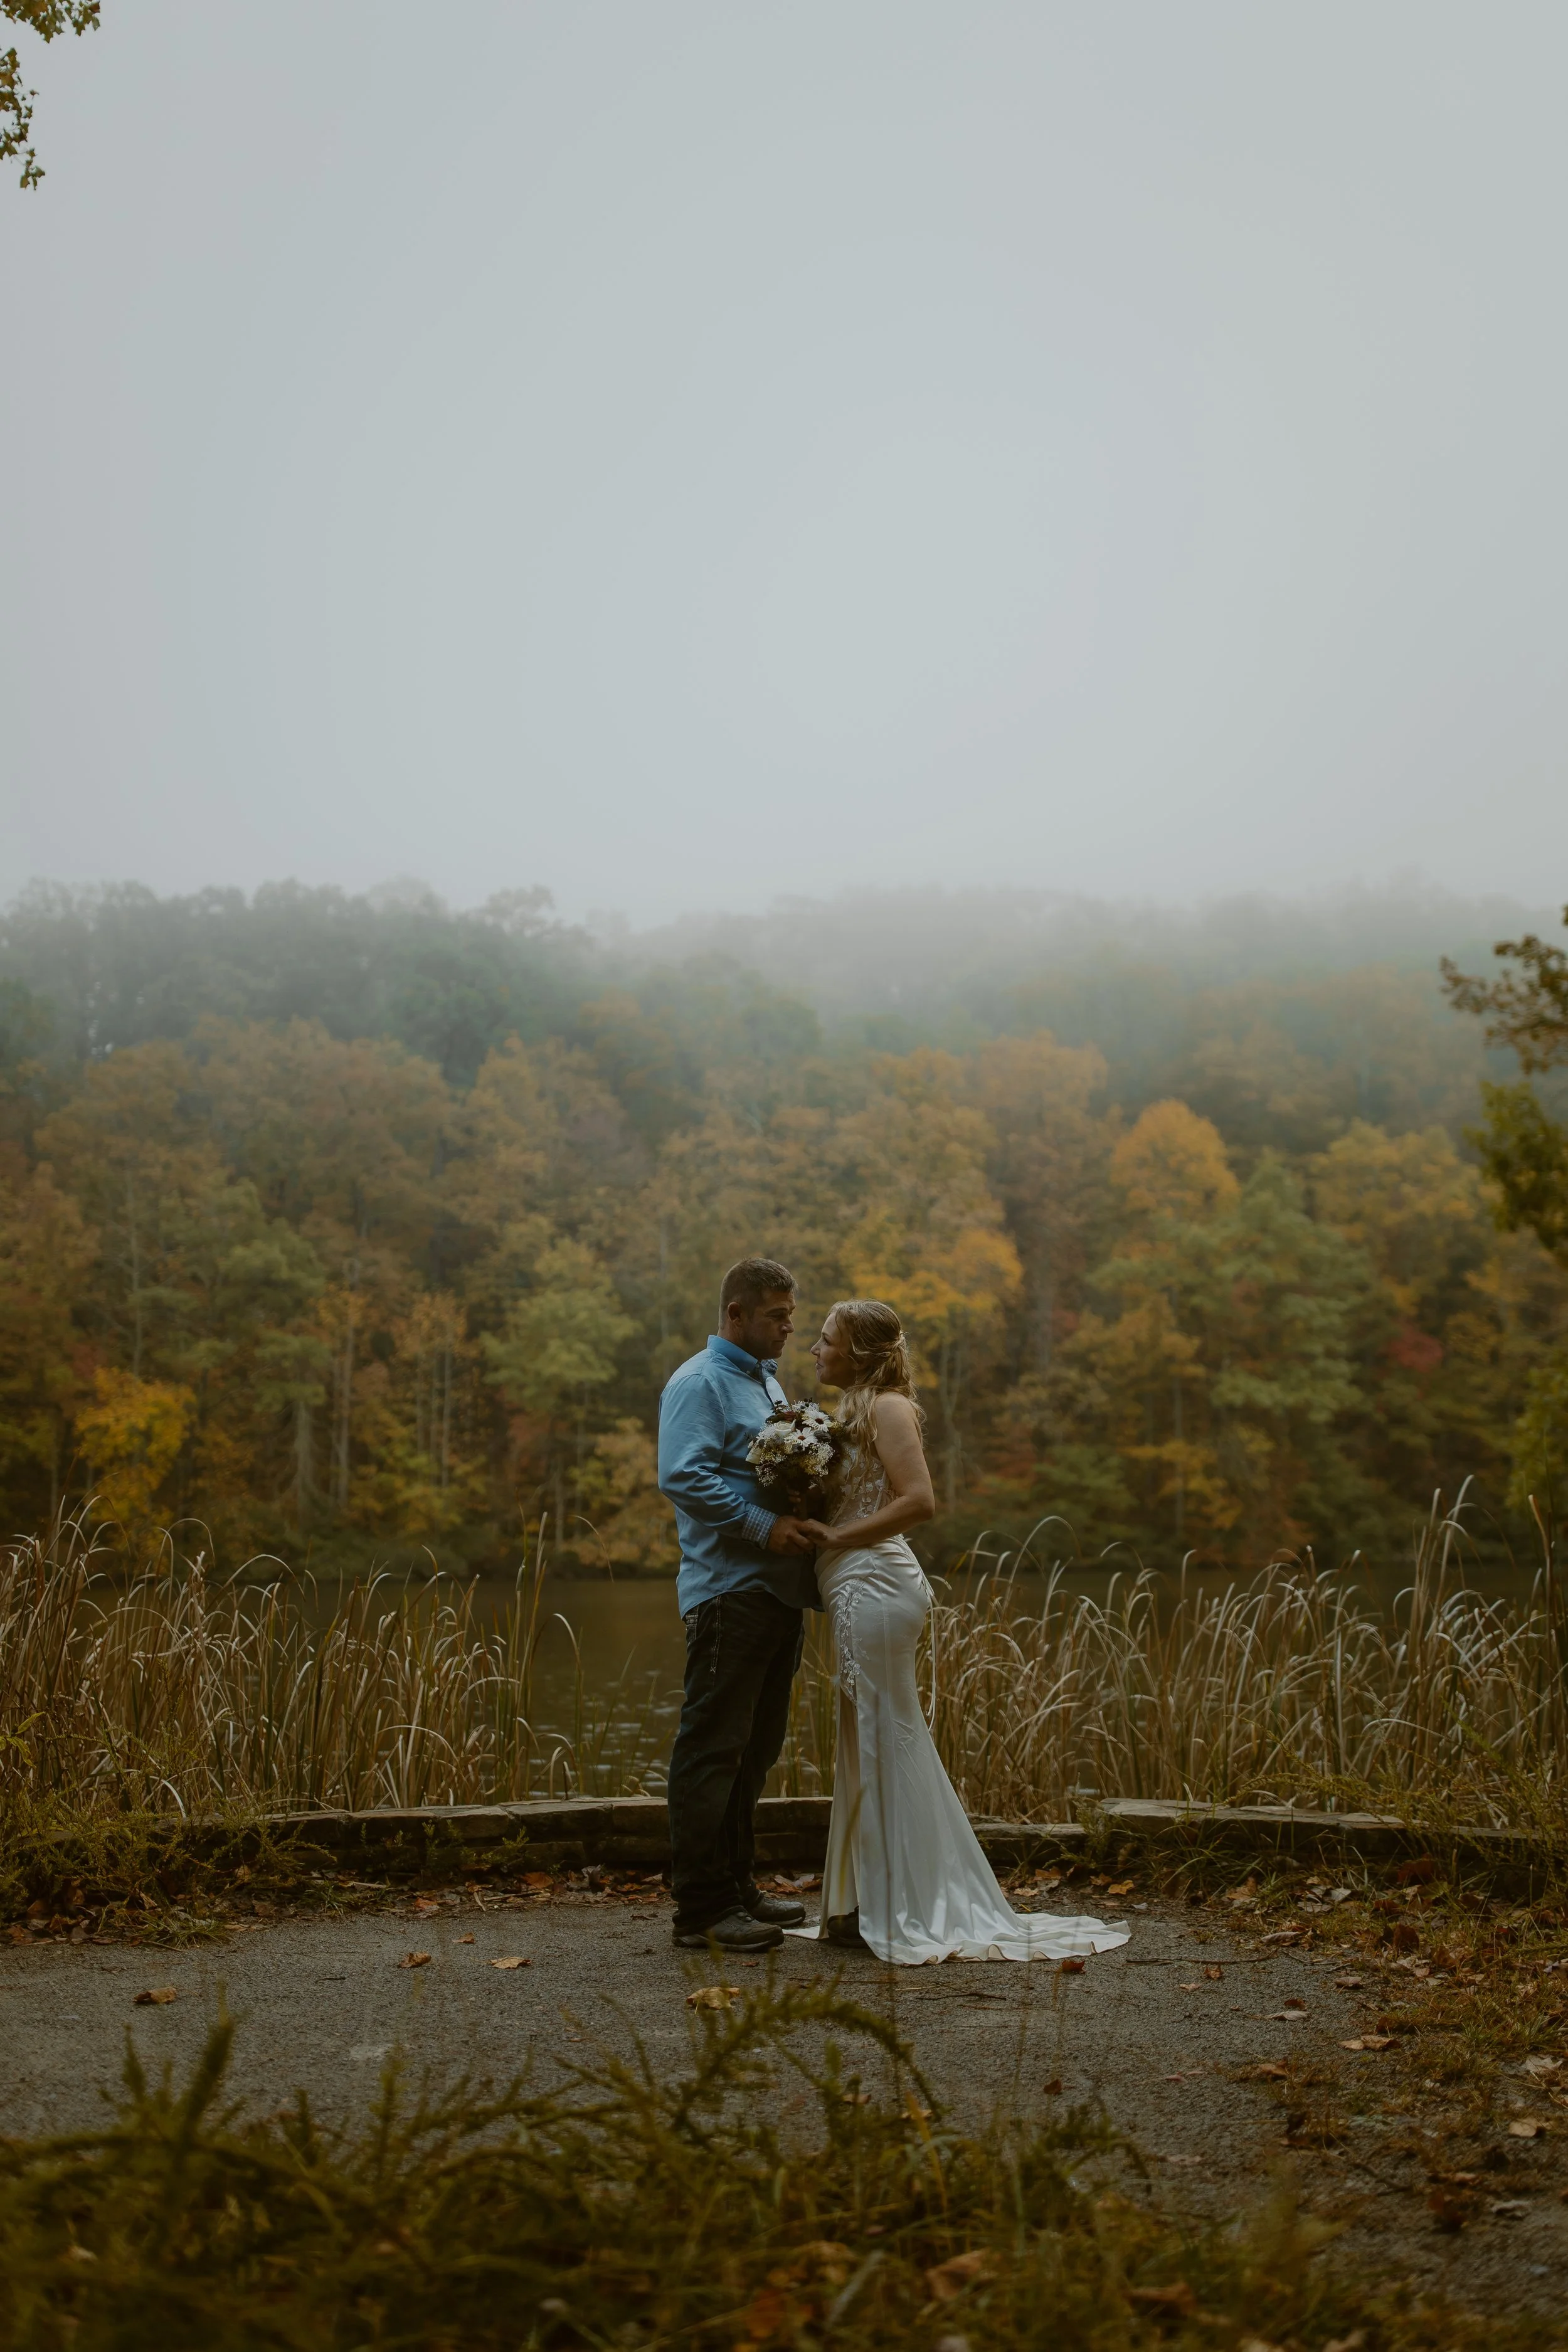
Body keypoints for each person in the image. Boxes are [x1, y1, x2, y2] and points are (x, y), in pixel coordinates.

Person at [793, 1298, 1130, 1967]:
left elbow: (918, 1501)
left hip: (875, 1584)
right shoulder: (851, 1412)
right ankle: (863, 1901)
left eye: (825, 1340)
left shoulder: (887, 1407)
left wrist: (836, 1536)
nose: (814, 1351)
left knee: (882, 1734)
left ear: (857, 1352)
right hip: (852, 1581)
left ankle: (904, 1904)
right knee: (866, 1737)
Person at [657, 1256, 820, 1952]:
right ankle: (699, 1910)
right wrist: (766, 1526)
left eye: (790, 1314)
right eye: (777, 1315)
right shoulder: (700, 1383)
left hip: (777, 1594)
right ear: (735, 1315)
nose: (789, 1327)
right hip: (729, 1592)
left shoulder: (764, 1381)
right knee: (712, 1750)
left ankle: (737, 1887)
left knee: (753, 1753)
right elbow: (683, 1477)